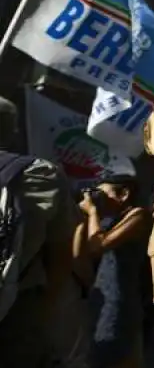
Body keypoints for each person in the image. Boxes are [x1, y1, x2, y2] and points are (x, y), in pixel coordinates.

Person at [0, 95, 81, 368]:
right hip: (17, 311)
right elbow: (61, 253)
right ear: (12, 131)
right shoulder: (40, 175)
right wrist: (46, 308)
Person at [80, 172, 150, 368]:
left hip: (123, 303)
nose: (98, 200)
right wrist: (83, 218)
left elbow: (98, 246)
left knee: (120, 357)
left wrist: (93, 213)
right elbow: (79, 255)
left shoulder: (137, 215)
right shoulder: (105, 223)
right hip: (102, 302)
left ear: (124, 193)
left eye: (103, 193)